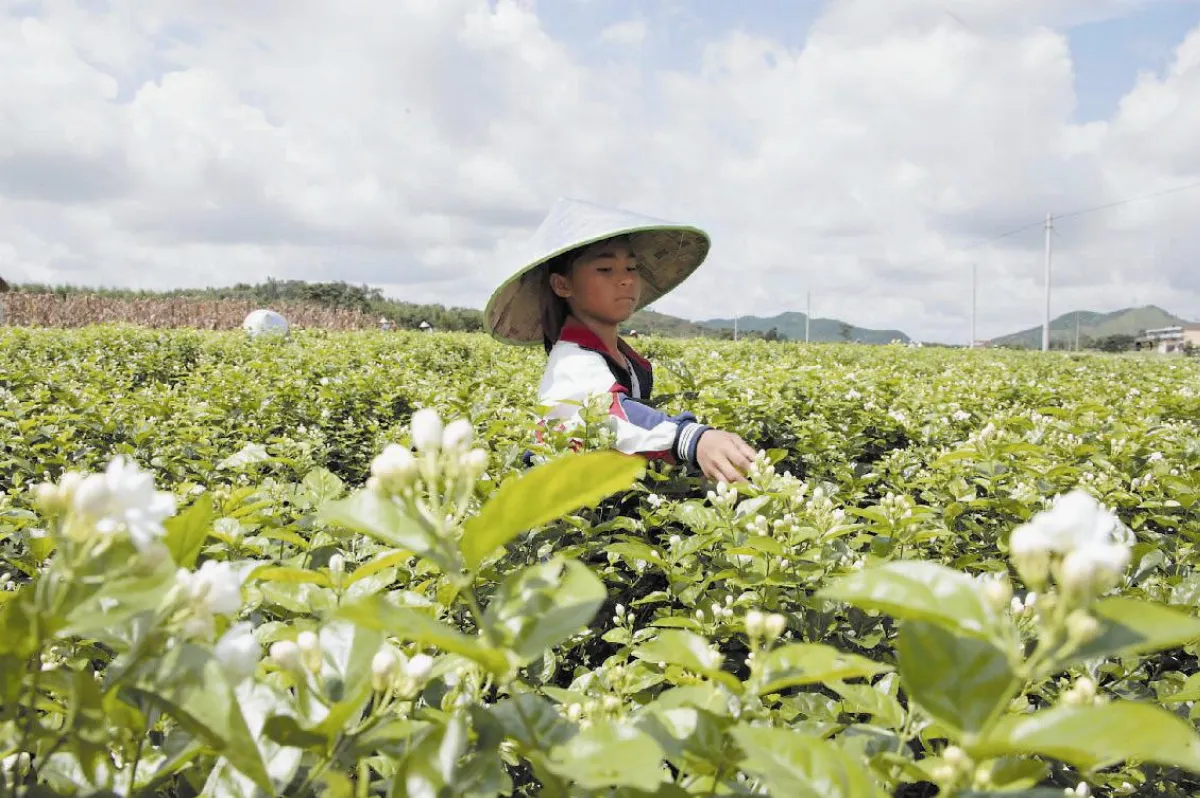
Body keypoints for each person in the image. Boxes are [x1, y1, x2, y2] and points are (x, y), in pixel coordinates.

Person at [484, 198, 757, 483]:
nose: (626, 280)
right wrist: (692, 438)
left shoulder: (622, 357)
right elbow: (613, 414)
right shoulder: (572, 362)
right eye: (605, 269)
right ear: (562, 285)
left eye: (631, 268)